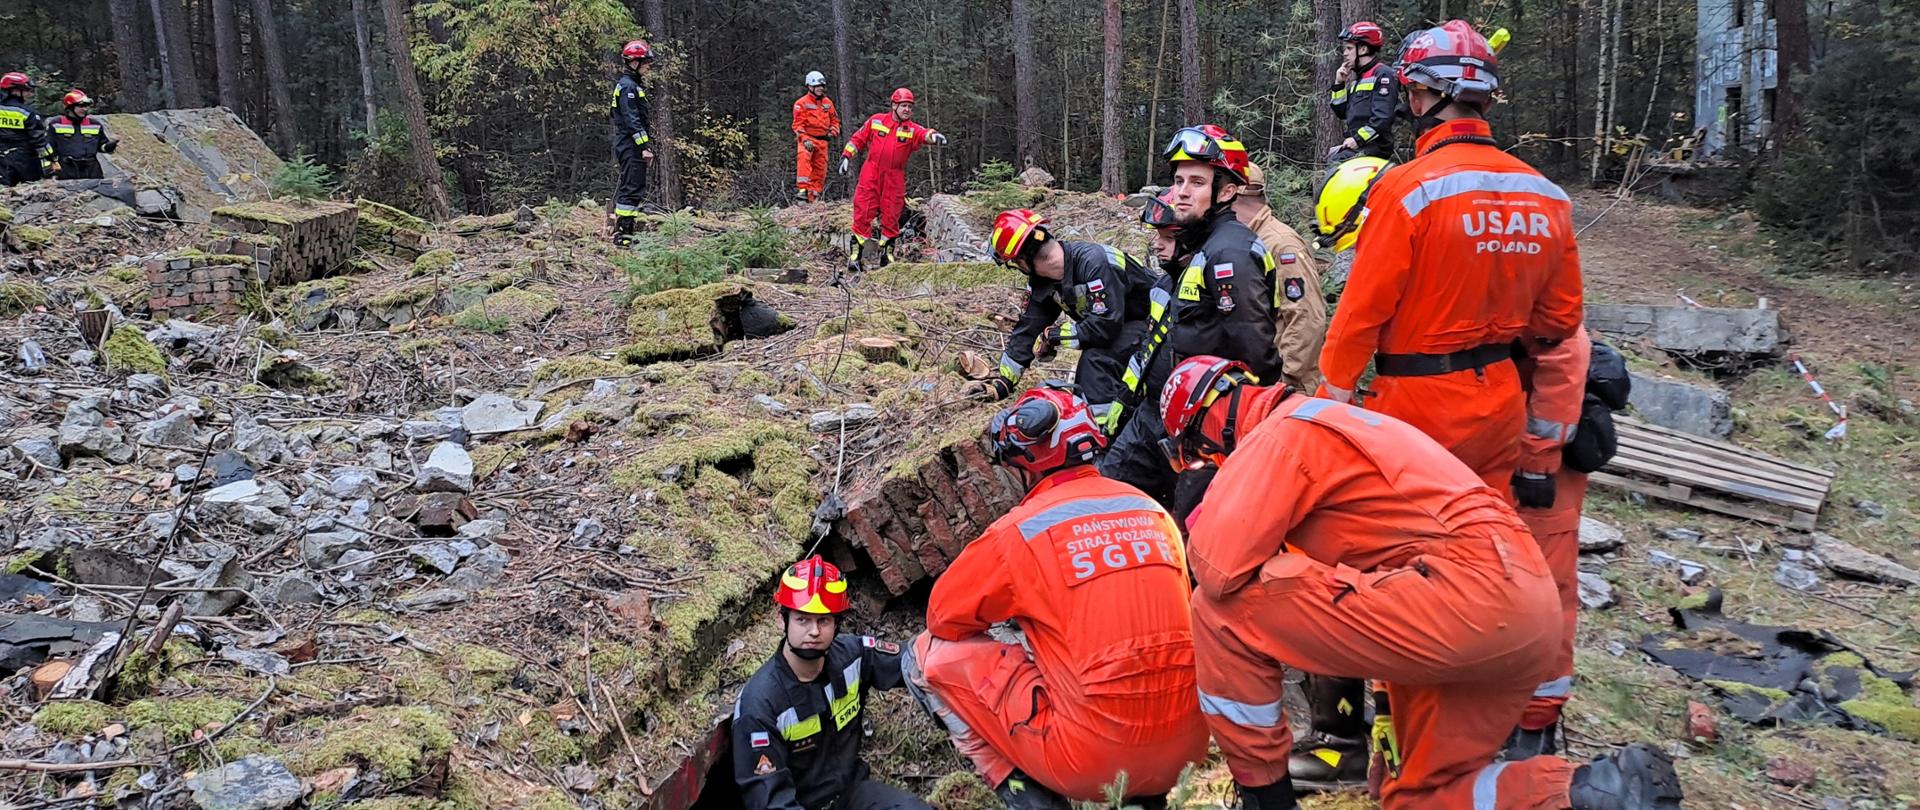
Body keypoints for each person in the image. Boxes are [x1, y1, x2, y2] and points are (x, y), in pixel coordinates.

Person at [1161, 355, 1685, 810]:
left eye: (1200, 455)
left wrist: (1205, 513)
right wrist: (1388, 716)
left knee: (1222, 610)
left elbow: (1218, 568)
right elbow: (1376, 580)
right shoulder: (1344, 424)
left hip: (1464, 596)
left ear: (1210, 421)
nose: (1211, 466)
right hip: (1519, 603)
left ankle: (1264, 796)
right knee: (1418, 795)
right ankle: (1591, 790)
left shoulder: (1280, 434)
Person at [904, 387, 1210, 808]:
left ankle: (1023, 792)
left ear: (1025, 465)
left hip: (1090, 763)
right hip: (1188, 750)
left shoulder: (1022, 531)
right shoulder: (1153, 513)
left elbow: (942, 616)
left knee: (925, 654)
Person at [1317, 20, 1584, 500]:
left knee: (1408, 535)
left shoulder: (1405, 190)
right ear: (1487, 101)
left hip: (1417, 408)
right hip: (1502, 405)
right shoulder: (1547, 196)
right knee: (1484, 528)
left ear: (1419, 97)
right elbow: (1560, 321)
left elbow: (1361, 315)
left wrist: (1327, 408)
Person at [1097, 124, 1279, 511]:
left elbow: (1255, 352)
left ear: (1225, 192)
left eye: (1197, 182)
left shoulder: (1229, 252)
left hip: (1205, 426)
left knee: (1188, 523)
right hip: (1160, 413)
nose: (1181, 191)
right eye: (1179, 180)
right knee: (1107, 496)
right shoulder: (1201, 246)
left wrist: (1238, 432)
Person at [732, 556, 931, 810]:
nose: (814, 631)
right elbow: (771, 803)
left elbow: (919, 661)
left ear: (837, 623)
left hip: (852, 794)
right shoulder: (760, 704)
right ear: (782, 620)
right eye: (803, 619)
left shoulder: (853, 655)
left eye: (823, 620)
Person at [969, 209, 1159, 435]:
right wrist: (1004, 382)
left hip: (1154, 324)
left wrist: (1055, 335)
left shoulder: (1095, 262)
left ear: (1023, 260)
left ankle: (1101, 434)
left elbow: (1105, 326)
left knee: (1096, 361)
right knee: (1096, 357)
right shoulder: (1043, 281)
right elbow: (1028, 329)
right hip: (1123, 326)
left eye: (1014, 264)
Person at [1232, 162, 1327, 392]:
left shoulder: (1281, 245)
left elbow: (1306, 317)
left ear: (1234, 194)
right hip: (1259, 382)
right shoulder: (1245, 239)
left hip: (1286, 388)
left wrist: (1284, 378)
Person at [840, 88, 946, 273]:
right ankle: (856, 256)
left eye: (910, 107)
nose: (907, 110)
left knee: (891, 215)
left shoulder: (910, 129)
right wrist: (847, 156)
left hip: (894, 177)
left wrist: (934, 136)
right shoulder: (876, 121)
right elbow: (858, 139)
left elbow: (923, 134)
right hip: (871, 173)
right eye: (904, 106)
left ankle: (887, 256)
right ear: (894, 105)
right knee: (863, 210)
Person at [1328, 21, 1397, 163]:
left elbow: (1382, 118)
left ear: (1363, 49)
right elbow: (1341, 112)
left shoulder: (1383, 75)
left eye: (1349, 48)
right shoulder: (1359, 77)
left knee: (1337, 163)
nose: (1345, 53)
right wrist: (1339, 84)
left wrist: (1357, 139)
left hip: (1375, 148)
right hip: (1360, 146)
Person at [610, 40, 656, 246]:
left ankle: (626, 233)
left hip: (630, 144)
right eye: (646, 63)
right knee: (631, 188)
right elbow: (632, 120)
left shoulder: (631, 85)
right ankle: (623, 236)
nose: (648, 67)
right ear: (634, 63)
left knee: (634, 186)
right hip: (630, 145)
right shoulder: (628, 87)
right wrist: (644, 147)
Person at [792, 71, 840, 203]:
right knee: (804, 160)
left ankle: (814, 197)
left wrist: (833, 131)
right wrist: (805, 139)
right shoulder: (801, 103)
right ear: (809, 86)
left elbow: (835, 121)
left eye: (821, 86)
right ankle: (802, 191)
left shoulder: (828, 103)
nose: (820, 89)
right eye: (817, 86)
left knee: (820, 169)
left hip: (823, 140)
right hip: (807, 139)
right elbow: (797, 125)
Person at [0, 72, 55, 186]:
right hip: (25, 162)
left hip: (2, 161)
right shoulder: (27, 113)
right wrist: (52, 159)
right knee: (29, 192)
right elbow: (39, 140)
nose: (29, 94)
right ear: (15, 91)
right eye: (26, 90)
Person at [49, 90, 117, 180]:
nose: (85, 109)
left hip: (91, 170)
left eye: (86, 106)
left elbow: (101, 146)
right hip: (67, 170)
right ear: (70, 107)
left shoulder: (95, 125)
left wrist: (108, 147)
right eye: (81, 106)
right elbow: (48, 148)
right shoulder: (56, 124)